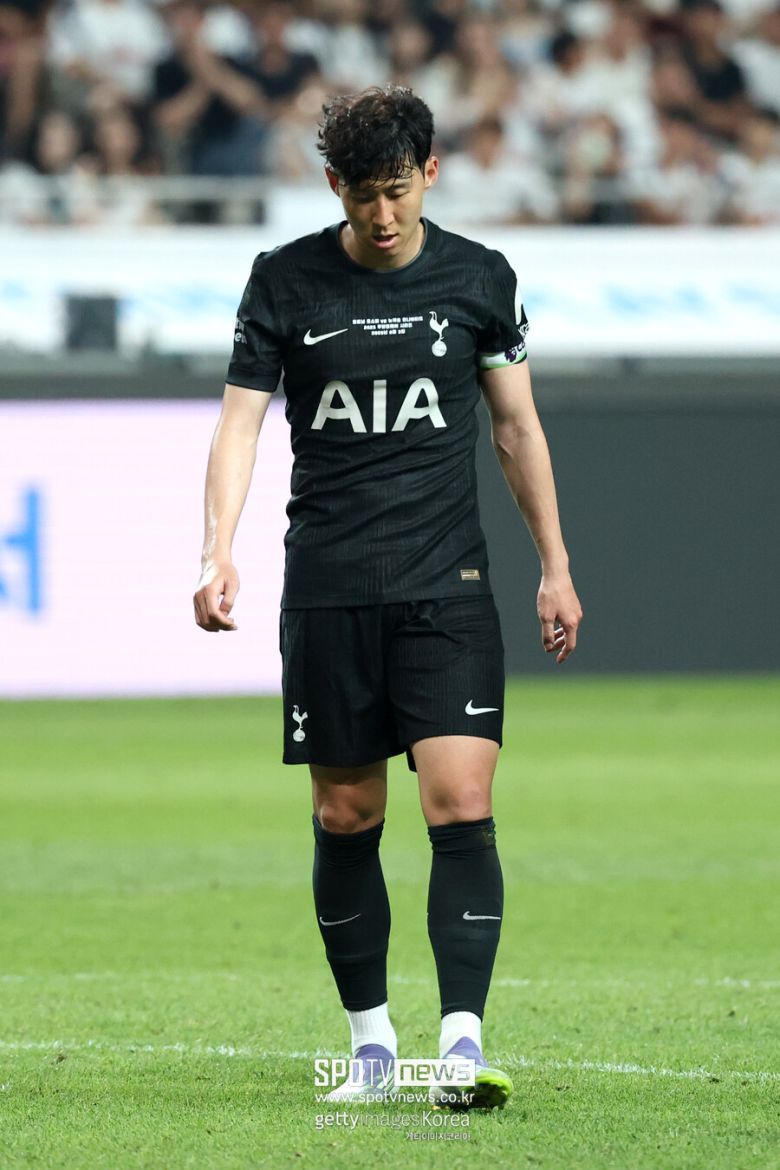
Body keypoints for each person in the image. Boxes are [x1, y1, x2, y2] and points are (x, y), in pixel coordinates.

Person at [193, 85, 582, 1110]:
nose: (382, 214)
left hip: (446, 585)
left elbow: (516, 428)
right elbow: (239, 425)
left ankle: (460, 1044)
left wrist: (555, 565)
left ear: (431, 175)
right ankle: (371, 1048)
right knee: (346, 811)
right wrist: (216, 551)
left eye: (399, 190)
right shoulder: (283, 281)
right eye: (363, 194)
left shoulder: (479, 277)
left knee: (462, 800)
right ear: (334, 185)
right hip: (329, 588)